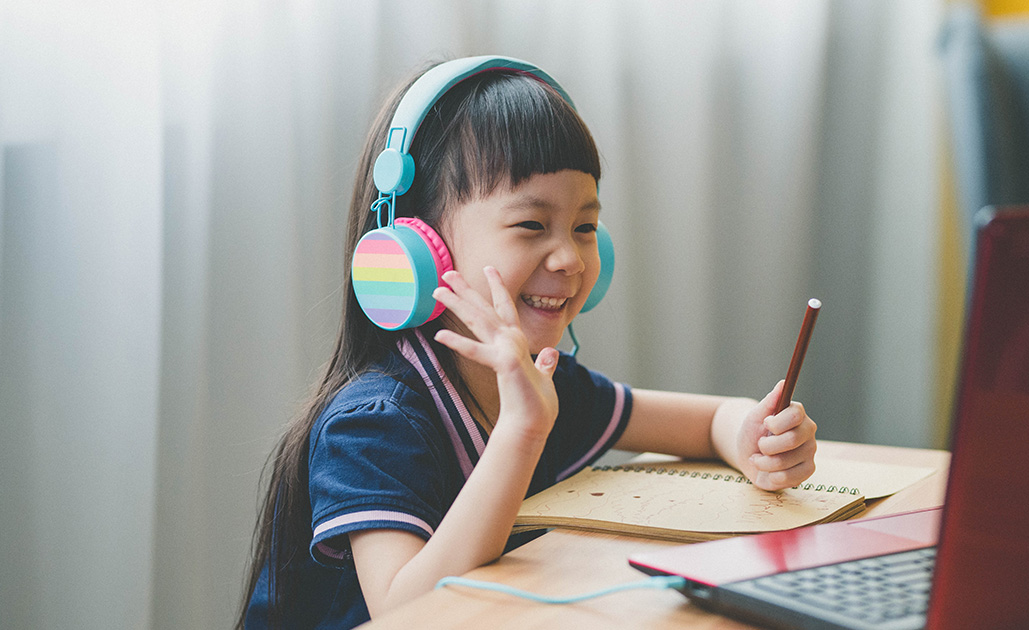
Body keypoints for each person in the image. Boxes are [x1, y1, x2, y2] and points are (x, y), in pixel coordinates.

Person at [238, 56, 818, 630]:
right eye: (531, 226)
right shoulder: (374, 423)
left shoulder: (540, 384)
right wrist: (523, 430)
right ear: (418, 248)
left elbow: (707, 421)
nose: (568, 258)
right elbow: (403, 611)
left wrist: (753, 436)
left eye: (585, 227)